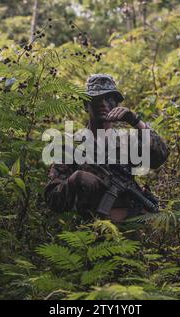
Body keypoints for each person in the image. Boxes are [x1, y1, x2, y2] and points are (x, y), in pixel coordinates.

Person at [44, 74, 169, 222]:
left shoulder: (126, 141)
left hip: (129, 227)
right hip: (90, 231)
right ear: (86, 104)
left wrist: (135, 121)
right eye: (97, 99)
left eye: (110, 99)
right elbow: (53, 200)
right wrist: (75, 181)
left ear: (116, 104)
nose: (103, 104)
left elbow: (160, 156)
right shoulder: (71, 147)